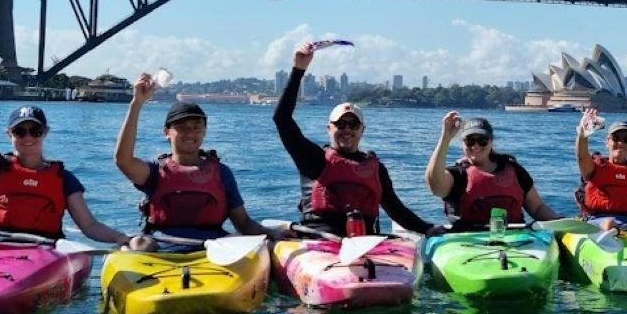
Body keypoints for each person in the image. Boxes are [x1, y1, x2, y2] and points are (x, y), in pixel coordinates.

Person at [272, 40, 433, 236]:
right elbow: (282, 119)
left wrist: (430, 229)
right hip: (320, 243)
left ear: (362, 130)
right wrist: (298, 69)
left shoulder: (376, 169)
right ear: (329, 128)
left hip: (365, 244)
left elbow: (396, 210)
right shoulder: (312, 159)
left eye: (353, 124)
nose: (346, 129)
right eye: (340, 124)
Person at [0, 67, 131, 243]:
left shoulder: (64, 179)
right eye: (20, 131)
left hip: (41, 254)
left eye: (35, 131)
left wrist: (123, 238)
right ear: (9, 134)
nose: (28, 137)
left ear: (45, 132)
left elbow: (89, 226)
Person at [115, 74, 272, 247]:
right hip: (161, 245)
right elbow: (123, 160)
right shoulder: (154, 172)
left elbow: (243, 224)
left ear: (204, 131)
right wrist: (136, 103)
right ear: (167, 132)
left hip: (212, 246)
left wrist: (276, 235)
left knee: (244, 242)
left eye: (196, 128)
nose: (190, 133)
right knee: (139, 243)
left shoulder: (222, 173)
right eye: (181, 128)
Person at [425, 113, 559, 231]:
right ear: (462, 143)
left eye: (482, 140)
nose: (476, 146)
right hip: (469, 243)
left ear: (491, 141)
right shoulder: (457, 175)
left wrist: (561, 223)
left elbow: (537, 208)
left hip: (516, 241)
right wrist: (445, 138)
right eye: (470, 141)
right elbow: (435, 186)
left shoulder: (514, 170)